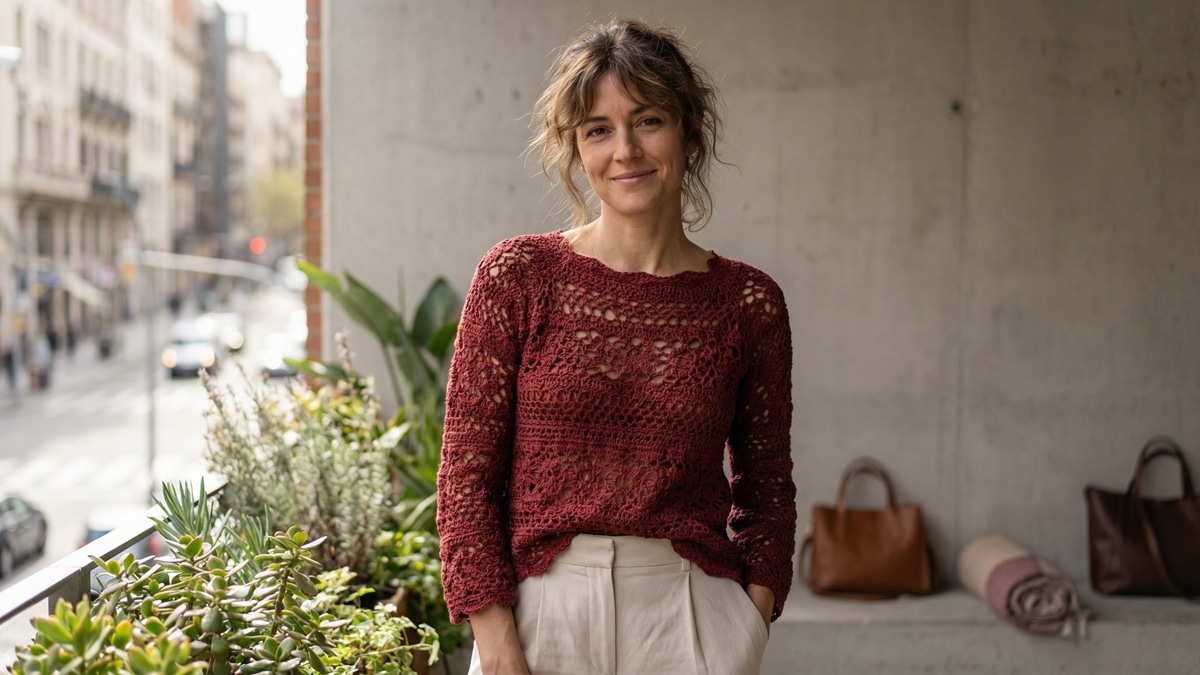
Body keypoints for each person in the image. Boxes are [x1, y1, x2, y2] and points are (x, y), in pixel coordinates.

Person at [437, 18, 796, 675]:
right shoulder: (516, 277)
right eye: (598, 129)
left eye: (648, 119)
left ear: (689, 130)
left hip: (690, 620)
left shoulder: (747, 304)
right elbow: (465, 482)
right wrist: (498, 648)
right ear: (576, 148)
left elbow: (767, 488)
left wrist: (747, 625)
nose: (624, 149)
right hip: (542, 618)